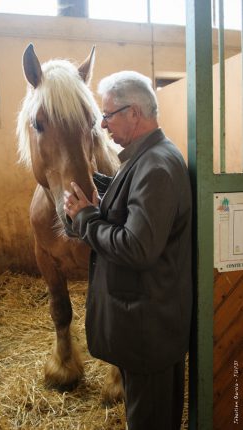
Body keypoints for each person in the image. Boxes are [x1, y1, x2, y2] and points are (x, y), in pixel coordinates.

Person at [63, 71, 193, 430]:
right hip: (145, 324)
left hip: (147, 330)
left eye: (108, 115)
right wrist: (99, 200)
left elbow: (137, 248)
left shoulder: (156, 167)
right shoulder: (145, 157)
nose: (103, 126)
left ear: (134, 113)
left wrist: (87, 217)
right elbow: (135, 214)